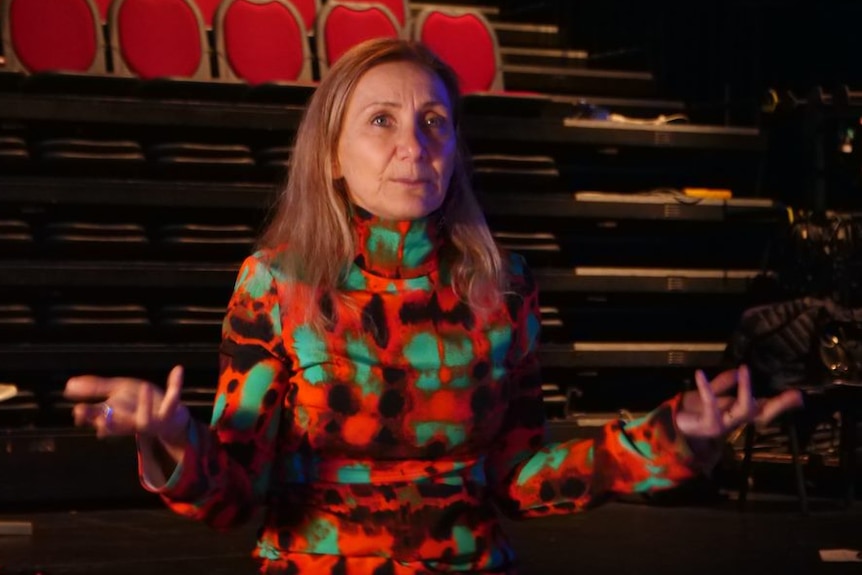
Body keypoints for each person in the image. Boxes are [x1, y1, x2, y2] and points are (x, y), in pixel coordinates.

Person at [64, 38, 803, 575]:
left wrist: (674, 436)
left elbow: (520, 475)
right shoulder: (275, 282)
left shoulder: (505, 288)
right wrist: (171, 439)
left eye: (435, 122)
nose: (414, 145)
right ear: (331, 156)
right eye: (381, 120)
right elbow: (235, 495)